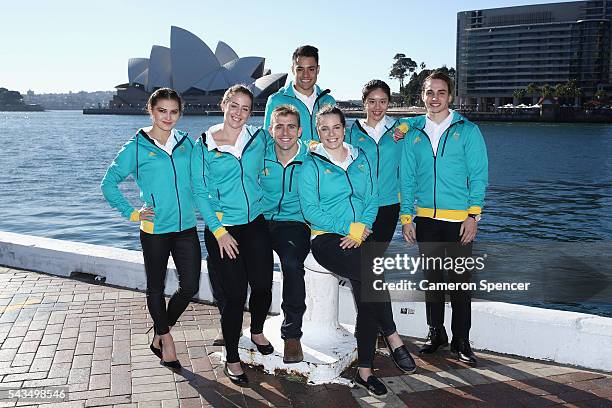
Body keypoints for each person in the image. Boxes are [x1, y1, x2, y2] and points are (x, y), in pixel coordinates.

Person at [299, 105, 416, 398]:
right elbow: (311, 211)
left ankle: (366, 370)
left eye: (335, 127)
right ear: (318, 132)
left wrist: (362, 226)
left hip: (361, 234)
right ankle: (392, 335)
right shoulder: (311, 164)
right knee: (372, 274)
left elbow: (372, 198)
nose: (330, 134)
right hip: (327, 238)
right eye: (323, 129)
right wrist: (347, 227)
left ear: (343, 128)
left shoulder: (359, 158)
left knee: (368, 291)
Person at [101, 88, 200, 371]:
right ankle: (166, 339)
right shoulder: (136, 146)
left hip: (186, 227)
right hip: (154, 228)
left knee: (190, 286)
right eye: (162, 111)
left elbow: (201, 177)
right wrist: (133, 212)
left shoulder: (186, 143)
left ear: (180, 113)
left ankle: (159, 329)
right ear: (151, 110)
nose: (168, 117)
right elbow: (108, 183)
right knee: (155, 287)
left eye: (174, 111)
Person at [400, 71, 488, 365]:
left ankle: (461, 340)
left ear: (450, 96)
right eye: (429, 92)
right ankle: (436, 333)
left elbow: (478, 177)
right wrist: (407, 218)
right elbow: (407, 178)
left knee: (460, 283)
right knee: (433, 281)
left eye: (440, 92)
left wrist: (473, 215)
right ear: (422, 96)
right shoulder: (413, 133)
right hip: (425, 219)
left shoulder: (468, 130)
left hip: (459, 220)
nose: (434, 98)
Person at [190, 85, 273, 386]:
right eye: (234, 106)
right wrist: (219, 231)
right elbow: (200, 192)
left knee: (263, 286)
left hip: (255, 223)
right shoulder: (204, 143)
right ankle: (232, 358)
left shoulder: (258, 138)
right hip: (223, 230)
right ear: (223, 104)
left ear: (252, 113)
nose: (238, 113)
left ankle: (257, 330)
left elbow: (288, 145)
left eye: (246, 109)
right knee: (236, 295)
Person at [346, 79, 417, 372]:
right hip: (357, 209)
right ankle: (387, 334)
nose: (377, 108)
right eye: (371, 101)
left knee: (369, 269)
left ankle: (387, 335)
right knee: (366, 271)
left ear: (390, 104)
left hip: (386, 210)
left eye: (383, 102)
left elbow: (407, 176)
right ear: (364, 103)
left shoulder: (400, 132)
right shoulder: (351, 132)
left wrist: (407, 216)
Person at [261, 105, 310, 363]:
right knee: (240, 261)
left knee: (291, 265)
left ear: (299, 131)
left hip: (294, 222)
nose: (285, 132)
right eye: (279, 126)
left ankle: (292, 334)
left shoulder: (311, 157)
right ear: (270, 129)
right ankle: (238, 324)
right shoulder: (259, 155)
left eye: (291, 126)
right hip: (260, 219)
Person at [264, 45, 336, 141]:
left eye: (311, 69)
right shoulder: (276, 100)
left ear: (318, 70)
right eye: (300, 69)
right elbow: (267, 141)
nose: (305, 75)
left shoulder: (328, 101)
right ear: (293, 69)